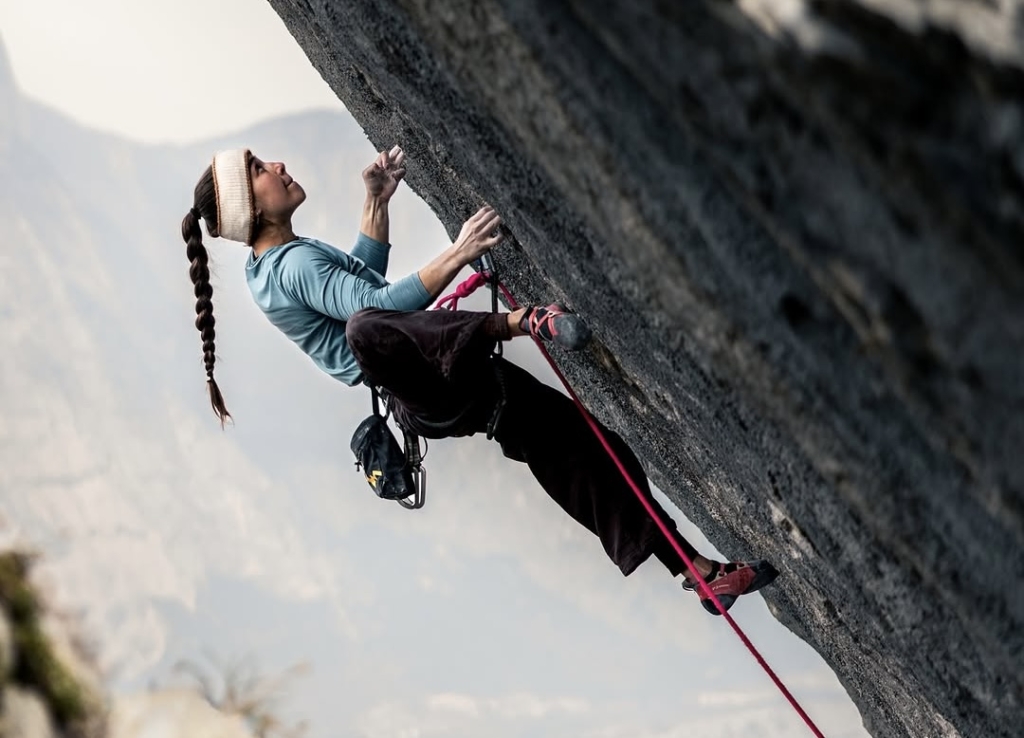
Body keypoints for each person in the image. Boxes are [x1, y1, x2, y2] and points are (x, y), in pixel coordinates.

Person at [179, 145, 779, 615]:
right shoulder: (293, 266)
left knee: (583, 446)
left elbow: (365, 285)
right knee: (366, 326)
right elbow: (376, 306)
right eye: (260, 168)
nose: (277, 165)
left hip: (450, 377)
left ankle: (698, 573)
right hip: (426, 383)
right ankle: (520, 322)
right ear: (249, 209)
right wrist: (460, 252)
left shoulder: (273, 265)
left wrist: (377, 202)